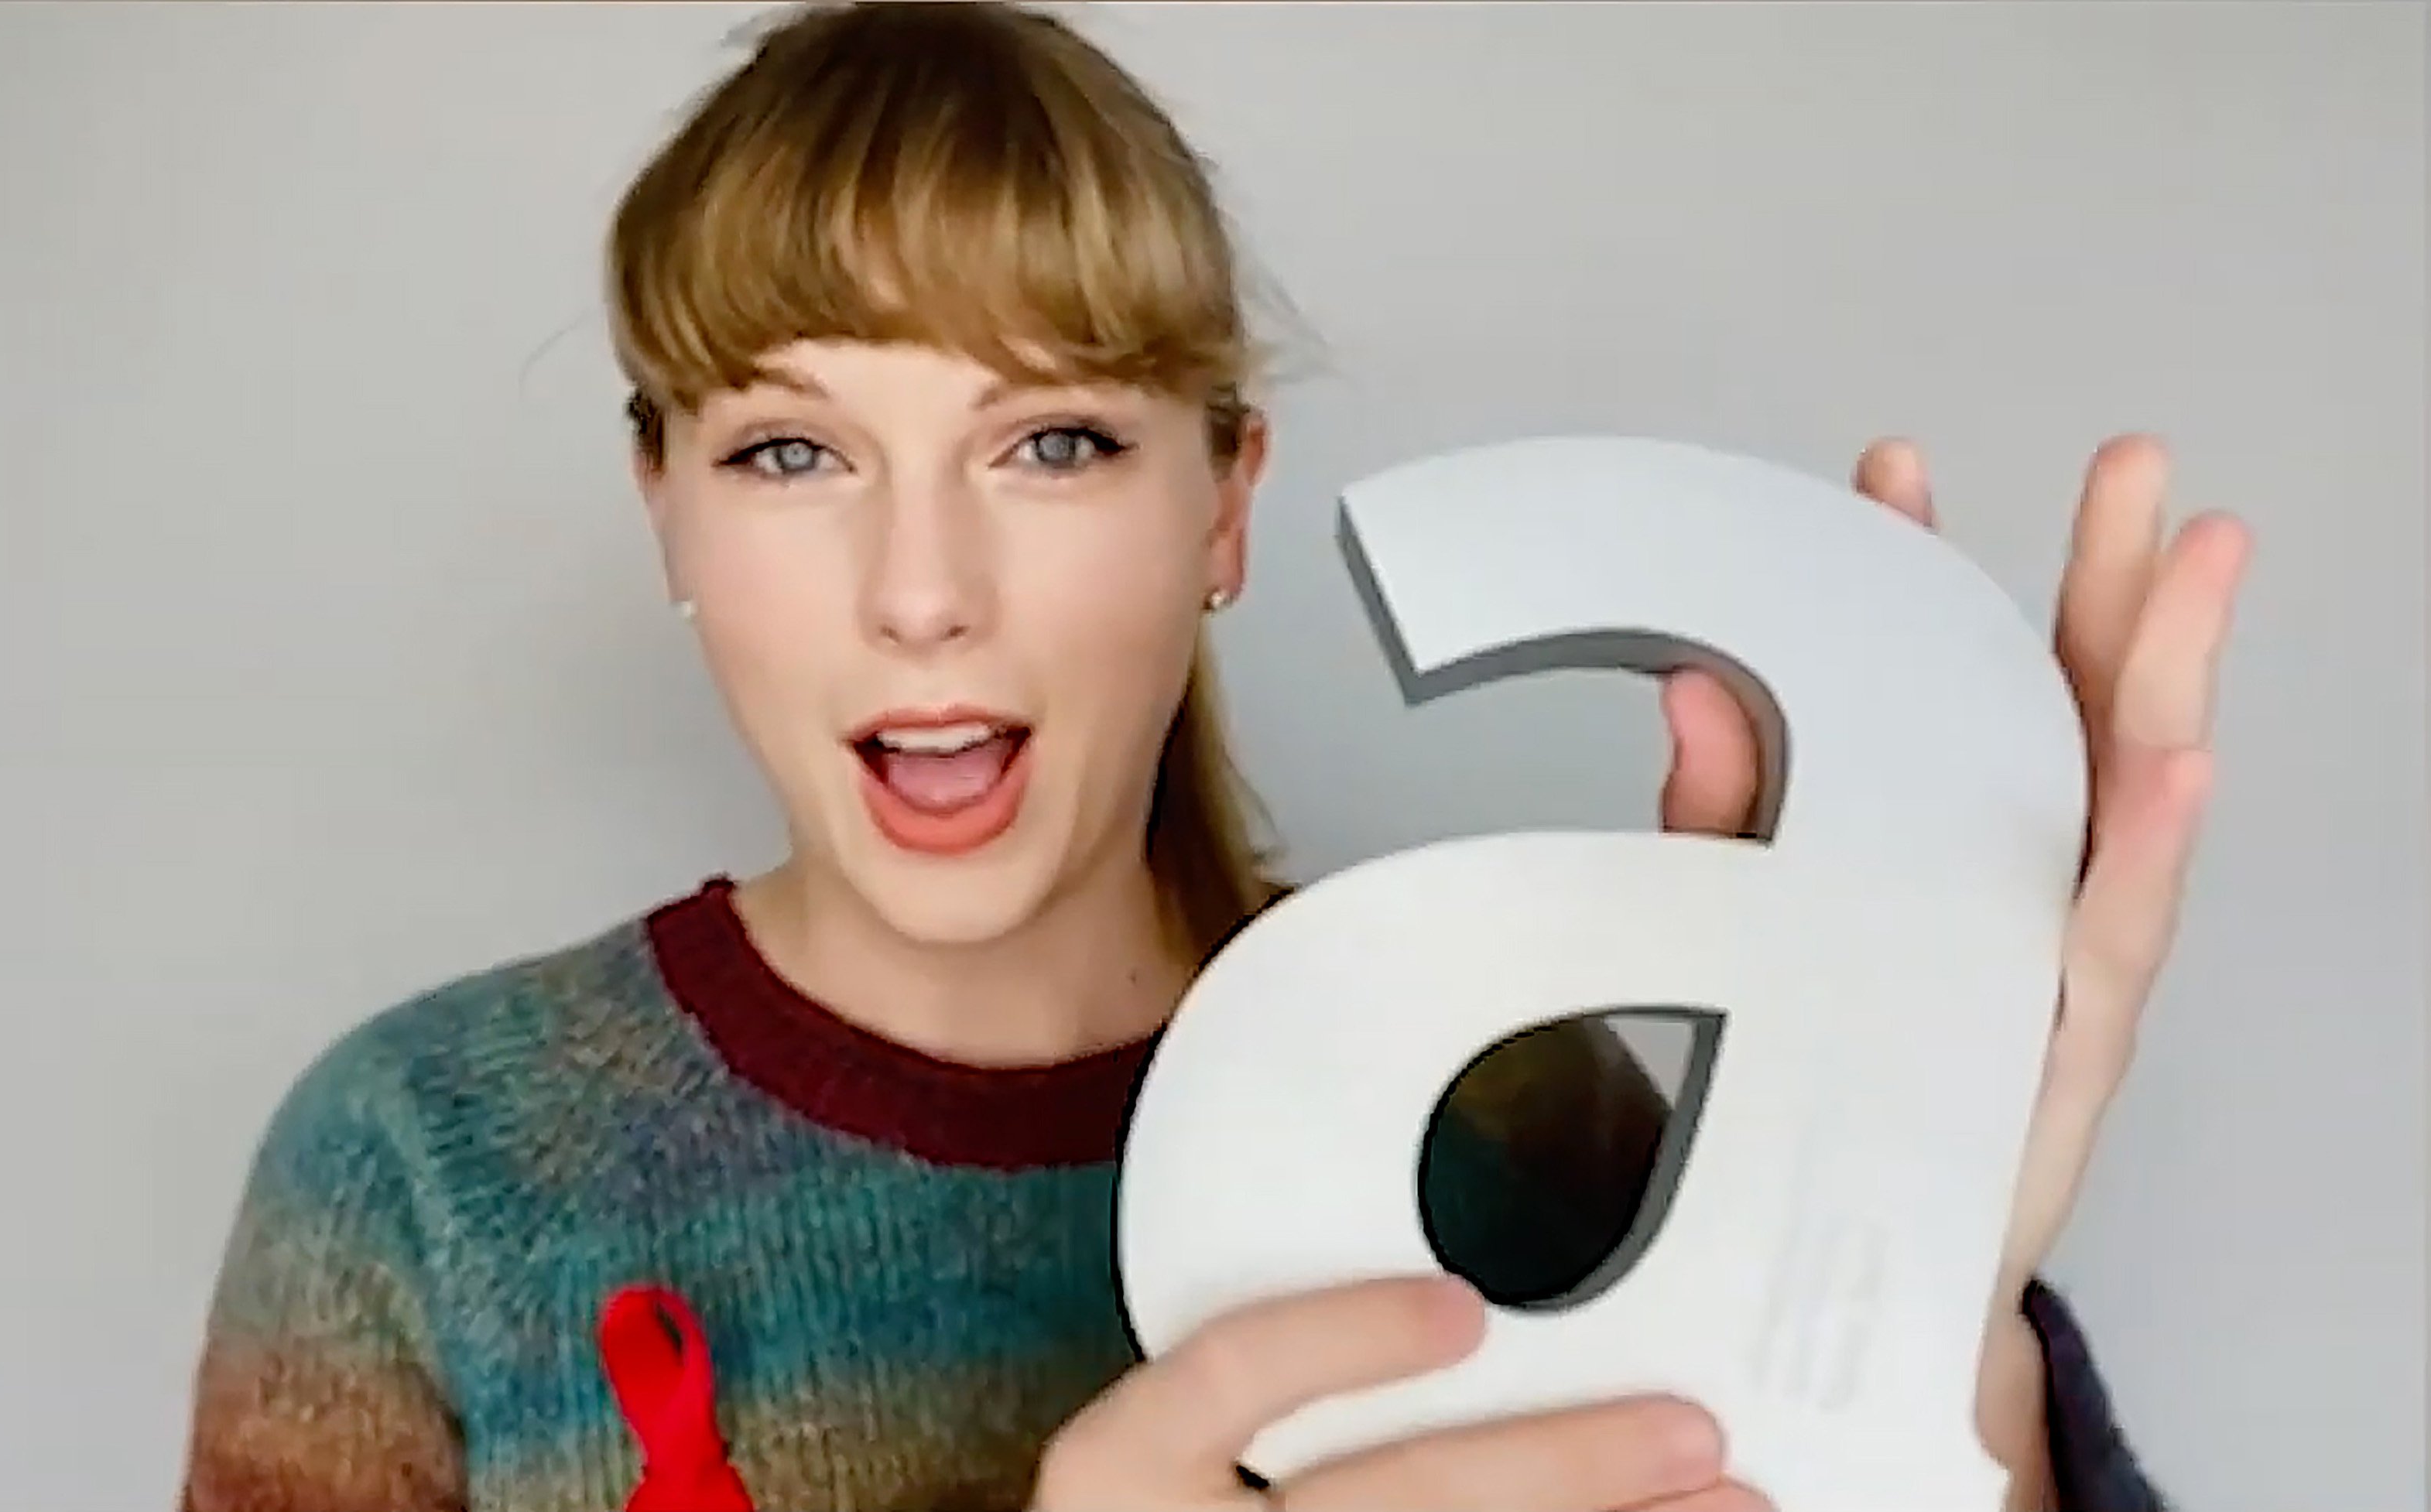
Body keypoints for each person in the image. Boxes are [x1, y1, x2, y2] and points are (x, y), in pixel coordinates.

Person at [176, 4, 2250, 1510]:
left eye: (1053, 441)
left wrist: (1924, 1322)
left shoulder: (1529, 1128)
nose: (924, 590)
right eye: (791, 449)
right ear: (668, 509)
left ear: (1223, 507)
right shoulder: (429, 1175)